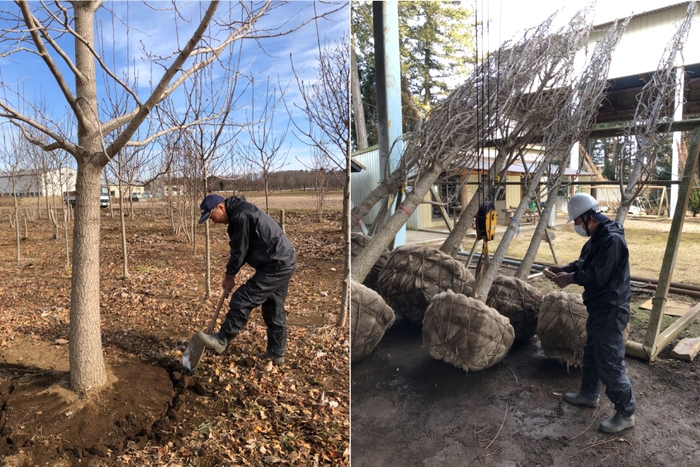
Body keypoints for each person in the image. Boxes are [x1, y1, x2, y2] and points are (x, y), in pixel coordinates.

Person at [548, 193, 636, 434]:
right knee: (592, 353)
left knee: (609, 361)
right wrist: (567, 267)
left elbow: (597, 275)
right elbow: (585, 263)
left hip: (612, 309)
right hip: (599, 307)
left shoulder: (612, 240)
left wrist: (570, 279)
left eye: (577, 221)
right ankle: (588, 394)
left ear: (588, 217)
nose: (576, 226)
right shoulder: (597, 237)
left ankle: (626, 413)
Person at [196, 193, 296, 365]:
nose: (214, 222)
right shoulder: (242, 212)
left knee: (242, 299)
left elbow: (239, 251)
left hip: (276, 264)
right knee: (273, 307)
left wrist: (229, 276)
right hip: (281, 260)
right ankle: (276, 353)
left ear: (220, 207)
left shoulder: (241, 216)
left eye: (213, 217)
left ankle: (221, 340)